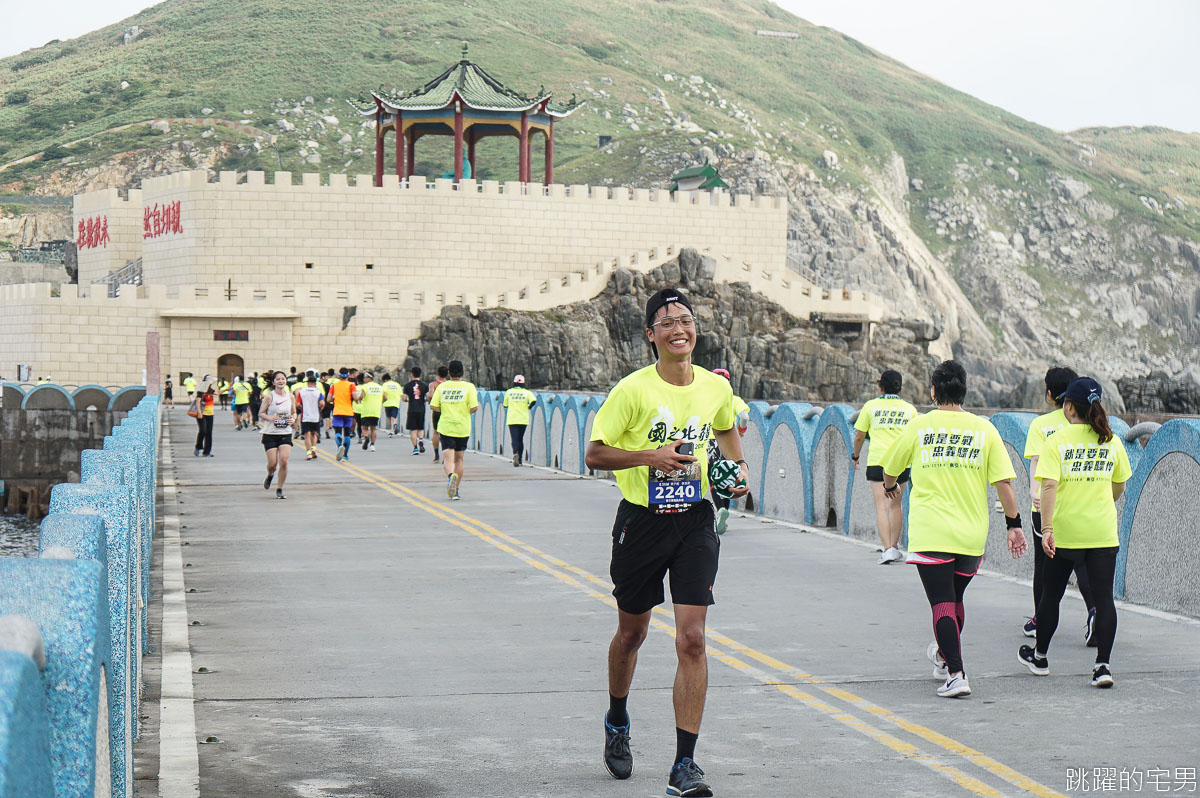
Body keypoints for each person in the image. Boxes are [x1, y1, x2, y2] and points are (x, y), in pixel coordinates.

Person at [584, 287, 750, 798]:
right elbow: (594, 453)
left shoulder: (715, 389)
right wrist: (648, 458)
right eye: (666, 322)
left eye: (686, 319)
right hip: (642, 520)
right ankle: (617, 719)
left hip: (696, 520)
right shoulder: (632, 391)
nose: (679, 328)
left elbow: (728, 438)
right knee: (631, 635)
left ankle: (685, 765)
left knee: (692, 638)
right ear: (650, 336)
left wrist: (737, 476)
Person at [880, 360, 1026, 699]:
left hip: (932, 532)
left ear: (933, 391)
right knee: (955, 600)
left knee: (942, 605)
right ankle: (945, 657)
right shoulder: (985, 429)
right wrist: (1014, 525)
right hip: (971, 535)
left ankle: (957, 674)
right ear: (963, 390)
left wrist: (891, 486)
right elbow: (1004, 483)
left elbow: (891, 468)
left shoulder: (920, 425)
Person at [1018, 378, 1131, 688]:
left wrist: (1048, 528)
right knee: (1104, 599)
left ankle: (1040, 657)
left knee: (1051, 594)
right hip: (1102, 533)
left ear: (1068, 407)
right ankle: (1103, 666)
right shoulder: (1111, 440)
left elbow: (1049, 486)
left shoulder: (1057, 441)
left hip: (1066, 532)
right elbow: (1119, 484)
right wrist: (1103, 502)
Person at [1021, 366, 1097, 643]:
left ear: (1050, 394)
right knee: (1082, 564)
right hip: (1083, 505)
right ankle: (1095, 610)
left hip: (1048, 506)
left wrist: (1033, 491)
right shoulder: (1090, 424)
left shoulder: (1041, 426)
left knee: (1044, 565)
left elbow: (1037, 463)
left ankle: (1040, 619)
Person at [852, 370, 918, 564]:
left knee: (881, 506)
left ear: (881, 387)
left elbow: (859, 436)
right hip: (902, 462)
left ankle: (887, 548)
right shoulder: (910, 410)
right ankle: (895, 547)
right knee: (896, 505)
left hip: (877, 461)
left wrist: (855, 456)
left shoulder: (870, 407)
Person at [707, 368, 750, 534]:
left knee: (713, 477)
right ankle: (725, 509)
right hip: (727, 442)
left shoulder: (707, 399)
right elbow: (745, 417)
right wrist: (740, 432)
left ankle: (720, 510)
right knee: (730, 477)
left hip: (711, 442)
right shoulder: (734, 399)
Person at [429, 360, 478, 501]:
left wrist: (444, 409)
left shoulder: (442, 387)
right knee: (459, 459)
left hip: (446, 426)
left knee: (448, 458)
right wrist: (464, 411)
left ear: (449, 372)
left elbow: (433, 406)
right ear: (462, 372)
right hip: (462, 427)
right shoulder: (469, 387)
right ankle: (455, 491)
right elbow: (474, 407)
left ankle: (451, 477)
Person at [260, 371, 296, 499]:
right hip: (270, 433)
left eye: (283, 379)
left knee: (284, 461)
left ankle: (280, 488)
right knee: (273, 464)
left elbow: (294, 412)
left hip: (285, 432)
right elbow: (261, 413)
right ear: (273, 382)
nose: (281, 381)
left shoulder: (290, 396)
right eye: (278, 379)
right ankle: (270, 475)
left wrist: (293, 419)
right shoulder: (270, 397)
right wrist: (271, 418)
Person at [327, 368, 362, 462]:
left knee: (338, 432)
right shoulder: (352, 385)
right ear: (348, 375)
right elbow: (355, 397)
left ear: (339, 375)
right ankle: (345, 456)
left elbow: (328, 399)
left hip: (337, 411)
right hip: (348, 412)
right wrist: (357, 400)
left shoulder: (334, 385)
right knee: (347, 433)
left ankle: (339, 446)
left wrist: (335, 398)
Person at [502, 374, 536, 467]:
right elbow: (533, 401)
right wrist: (529, 406)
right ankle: (520, 459)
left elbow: (505, 405)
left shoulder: (509, 392)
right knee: (520, 439)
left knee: (514, 438)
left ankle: (515, 453)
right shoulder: (527, 392)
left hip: (512, 418)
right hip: (523, 419)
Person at [296, 371, 326, 460]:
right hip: (315, 416)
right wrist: (320, 408)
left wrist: (302, 407)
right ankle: (314, 449)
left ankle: (309, 453)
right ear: (315, 383)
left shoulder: (302, 392)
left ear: (308, 383)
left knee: (307, 435)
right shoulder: (318, 393)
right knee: (314, 434)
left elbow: (297, 404)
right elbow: (322, 403)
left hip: (305, 416)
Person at [402, 367, 430, 455]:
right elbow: (428, 396)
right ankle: (421, 440)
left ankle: (415, 448)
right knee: (420, 428)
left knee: (413, 430)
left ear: (412, 374)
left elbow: (404, 398)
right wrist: (424, 400)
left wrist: (408, 400)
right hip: (421, 409)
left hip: (412, 409)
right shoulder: (424, 385)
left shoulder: (407, 385)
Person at [428, 365, 449, 463]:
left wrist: (428, 397)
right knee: (447, 433)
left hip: (437, 410)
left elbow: (431, 395)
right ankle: (446, 456)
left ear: (438, 374)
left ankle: (436, 454)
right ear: (447, 374)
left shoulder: (434, 384)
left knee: (436, 432)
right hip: (447, 410)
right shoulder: (449, 384)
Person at [359, 372, 384, 451]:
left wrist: (359, 399)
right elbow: (385, 397)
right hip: (376, 410)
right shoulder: (379, 387)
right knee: (373, 429)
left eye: (365, 377)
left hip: (366, 410)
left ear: (369, 378)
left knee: (364, 428)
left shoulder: (365, 386)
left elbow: (362, 396)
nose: (364, 379)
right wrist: (379, 402)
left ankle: (366, 438)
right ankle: (372, 445)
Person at [191, 378, 216, 457]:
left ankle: (207, 452)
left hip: (210, 414)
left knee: (209, 433)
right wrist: (199, 412)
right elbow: (198, 401)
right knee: (203, 431)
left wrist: (227, 388)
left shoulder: (211, 391)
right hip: (202, 414)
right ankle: (198, 447)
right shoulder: (200, 392)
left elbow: (217, 393)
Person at [381, 373, 403, 438]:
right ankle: (395, 424)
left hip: (387, 403)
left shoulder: (384, 385)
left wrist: (382, 401)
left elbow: (384, 394)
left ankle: (391, 432)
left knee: (389, 418)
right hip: (395, 403)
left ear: (385, 380)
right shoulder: (397, 385)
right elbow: (401, 394)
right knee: (394, 416)